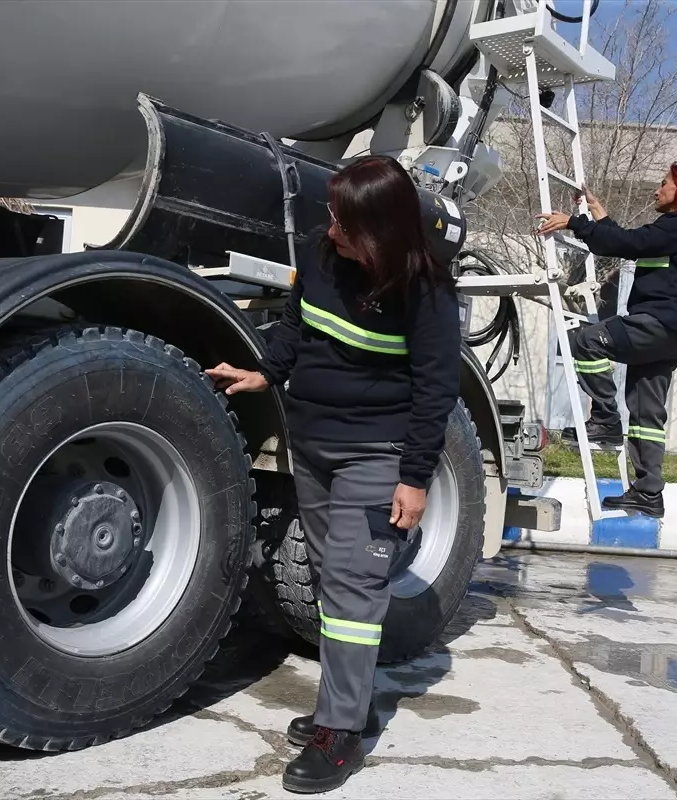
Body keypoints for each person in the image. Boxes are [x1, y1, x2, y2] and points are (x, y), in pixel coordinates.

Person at [205, 155, 461, 794]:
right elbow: (298, 327)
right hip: (312, 449)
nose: (330, 226)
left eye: (343, 220)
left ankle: (342, 732)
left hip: (376, 456)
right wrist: (266, 369)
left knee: (352, 589)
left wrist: (415, 478)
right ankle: (344, 705)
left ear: (379, 230)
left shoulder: (426, 293)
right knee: (330, 580)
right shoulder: (323, 258)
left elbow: (435, 392)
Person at [536, 162, 677, 518]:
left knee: (583, 341)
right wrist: (601, 219)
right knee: (645, 412)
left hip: (659, 324)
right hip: (675, 333)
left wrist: (577, 224)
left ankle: (605, 419)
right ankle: (649, 493)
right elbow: (629, 241)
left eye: (664, 184)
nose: (657, 190)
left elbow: (629, 244)